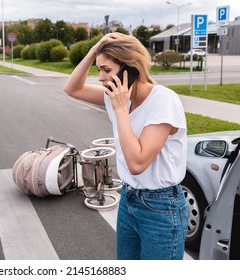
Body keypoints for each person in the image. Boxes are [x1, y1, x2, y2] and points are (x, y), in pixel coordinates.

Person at [63, 32, 188, 260]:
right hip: (128, 200)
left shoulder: (163, 101)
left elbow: (137, 163)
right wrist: (95, 50)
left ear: (129, 70)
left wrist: (121, 110)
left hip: (161, 208)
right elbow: (72, 88)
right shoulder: (116, 97)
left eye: (107, 70)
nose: (100, 77)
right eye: (99, 69)